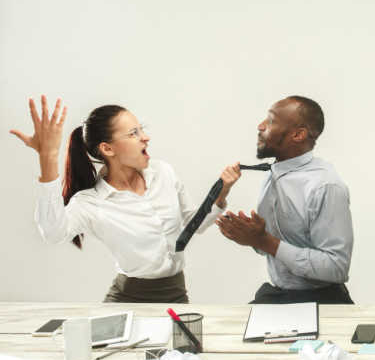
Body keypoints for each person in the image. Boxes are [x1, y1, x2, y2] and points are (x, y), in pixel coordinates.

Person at [10, 96, 239, 303]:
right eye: (133, 133)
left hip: (176, 295)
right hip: (127, 299)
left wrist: (222, 192)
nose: (145, 138)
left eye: (141, 130)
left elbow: (192, 224)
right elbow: (53, 233)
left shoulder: (163, 173)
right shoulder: (91, 203)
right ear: (107, 149)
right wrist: (48, 157)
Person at [216, 96, 355, 304]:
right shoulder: (274, 173)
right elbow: (273, 246)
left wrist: (265, 241)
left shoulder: (325, 186)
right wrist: (252, 237)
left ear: (298, 135)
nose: (260, 126)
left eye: (271, 121)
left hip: (322, 302)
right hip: (279, 295)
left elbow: (337, 267)